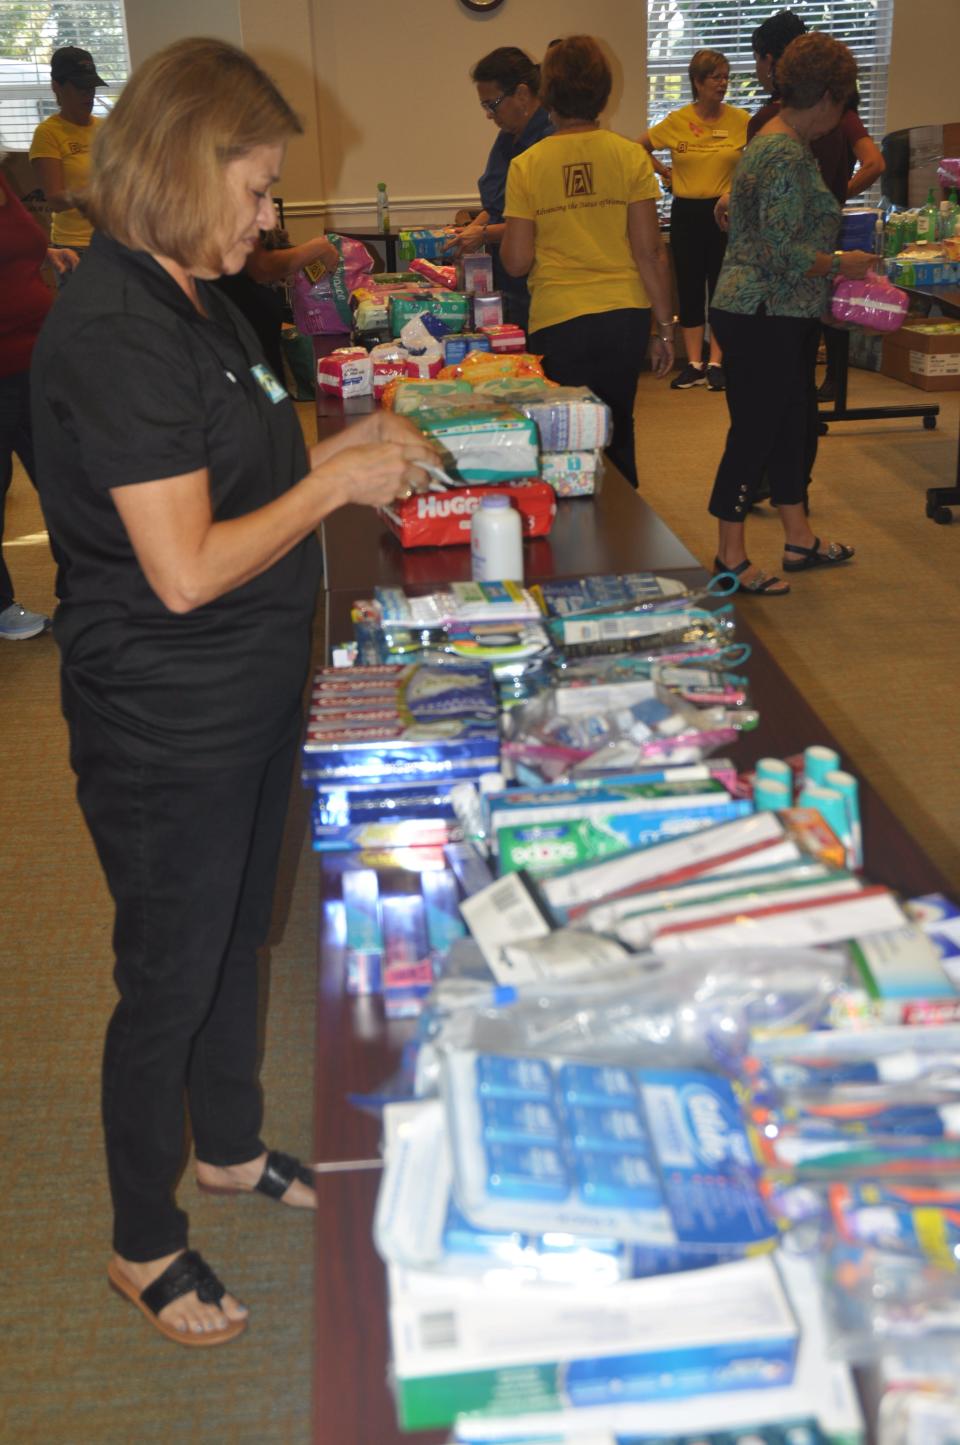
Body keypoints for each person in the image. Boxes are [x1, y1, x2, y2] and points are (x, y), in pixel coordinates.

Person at [30, 37, 437, 1347]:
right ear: (186, 169)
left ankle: (229, 1146)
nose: (271, 218)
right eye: (257, 190)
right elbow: (186, 566)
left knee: (237, 942)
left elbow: (239, 465)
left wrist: (345, 444)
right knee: (168, 967)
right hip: (168, 715)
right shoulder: (112, 332)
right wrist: (332, 486)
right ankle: (142, 1241)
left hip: (253, 693)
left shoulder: (199, 296)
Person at [707, 32, 873, 595]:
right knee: (755, 431)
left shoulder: (778, 142)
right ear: (826, 96)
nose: (844, 116)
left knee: (789, 423)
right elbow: (780, 250)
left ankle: (798, 535)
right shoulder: (780, 150)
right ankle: (729, 554)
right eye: (845, 102)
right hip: (761, 312)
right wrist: (840, 265)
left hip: (772, 310)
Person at [500, 35, 674, 490]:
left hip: (559, 318)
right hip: (624, 315)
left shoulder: (527, 164)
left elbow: (516, 263)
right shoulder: (630, 156)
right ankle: (628, 540)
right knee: (617, 429)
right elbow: (650, 252)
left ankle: (576, 545)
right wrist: (665, 328)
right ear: (602, 90)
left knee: (566, 440)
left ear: (547, 94)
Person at [638, 50, 748, 391]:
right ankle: (694, 363)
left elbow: (757, 160)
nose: (723, 83)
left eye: (726, 76)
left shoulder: (742, 120)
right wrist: (665, 172)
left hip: (724, 213)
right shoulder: (677, 120)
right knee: (688, 287)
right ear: (697, 82)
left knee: (720, 288)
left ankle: (717, 362)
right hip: (687, 212)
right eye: (715, 77)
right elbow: (638, 147)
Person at [0, 157, 78, 639]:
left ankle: (82, 592)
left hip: (36, 360)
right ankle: (2, 606)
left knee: (65, 480)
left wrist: (43, 252)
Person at [444, 47, 554, 331]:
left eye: (492, 104)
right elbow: (496, 208)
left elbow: (540, 221)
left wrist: (481, 233)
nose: (489, 115)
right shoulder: (507, 138)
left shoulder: (549, 141)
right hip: (505, 272)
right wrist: (470, 232)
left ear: (522, 94)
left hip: (538, 277)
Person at [214, 230, 340, 380]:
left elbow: (268, 245)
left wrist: (291, 260)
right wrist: (317, 248)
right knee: (265, 394)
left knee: (275, 393)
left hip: (262, 356)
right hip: (240, 355)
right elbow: (261, 266)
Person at [29, 46, 106, 261]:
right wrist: (99, 193)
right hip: (76, 247)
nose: (88, 94)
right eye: (80, 87)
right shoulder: (48, 133)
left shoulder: (106, 128)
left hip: (113, 239)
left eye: (91, 87)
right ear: (56, 87)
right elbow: (55, 200)